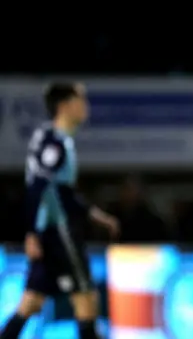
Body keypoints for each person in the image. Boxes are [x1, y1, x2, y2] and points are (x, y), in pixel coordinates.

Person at [0, 82, 120, 339]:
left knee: (31, 302)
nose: (86, 107)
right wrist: (31, 232)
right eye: (81, 100)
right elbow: (38, 188)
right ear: (65, 106)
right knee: (86, 298)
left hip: (50, 231)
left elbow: (61, 192)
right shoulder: (55, 142)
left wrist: (95, 216)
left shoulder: (49, 137)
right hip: (59, 231)